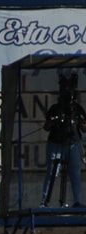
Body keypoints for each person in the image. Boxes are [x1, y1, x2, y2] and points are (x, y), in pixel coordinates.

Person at [40, 71, 86, 208]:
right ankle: (44, 201)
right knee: (53, 172)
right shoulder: (55, 108)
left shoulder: (77, 109)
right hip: (56, 143)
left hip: (73, 143)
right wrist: (55, 120)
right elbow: (46, 127)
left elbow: (84, 128)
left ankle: (77, 201)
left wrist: (80, 121)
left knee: (75, 173)